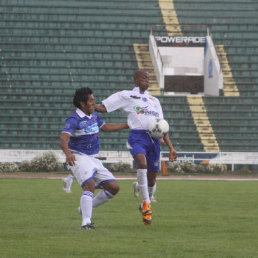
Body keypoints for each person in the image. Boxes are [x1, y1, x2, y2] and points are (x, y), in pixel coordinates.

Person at [95, 69, 177, 226]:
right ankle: (146, 204)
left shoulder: (154, 101)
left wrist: (171, 147)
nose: (148, 81)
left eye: (149, 79)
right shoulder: (126, 95)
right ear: (136, 79)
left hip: (153, 140)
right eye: (145, 78)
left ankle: (142, 194)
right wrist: (88, 106)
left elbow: (161, 126)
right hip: (137, 137)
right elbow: (104, 107)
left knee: (152, 179)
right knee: (142, 163)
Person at [60, 87, 129, 230]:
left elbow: (106, 127)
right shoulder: (74, 119)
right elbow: (63, 138)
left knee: (113, 188)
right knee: (89, 186)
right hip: (79, 157)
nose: (94, 103)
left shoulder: (94, 117)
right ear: (82, 104)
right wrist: (68, 154)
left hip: (94, 158)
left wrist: (127, 125)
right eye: (91, 100)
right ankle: (86, 222)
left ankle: (85, 208)